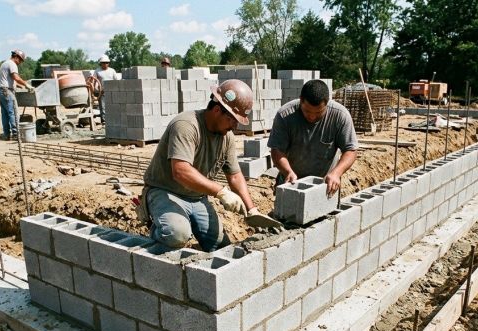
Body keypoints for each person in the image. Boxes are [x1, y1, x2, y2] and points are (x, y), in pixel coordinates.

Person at [141, 79, 263, 251]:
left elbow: (234, 175)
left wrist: (252, 209)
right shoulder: (186, 126)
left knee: (221, 247)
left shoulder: (226, 137)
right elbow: (181, 171)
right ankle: (155, 235)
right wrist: (220, 192)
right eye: (232, 120)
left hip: (197, 198)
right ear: (216, 110)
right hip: (165, 192)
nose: (235, 126)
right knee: (177, 234)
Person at [268, 79, 358, 197]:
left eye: (319, 112)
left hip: (325, 187)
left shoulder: (340, 116)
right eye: (307, 111)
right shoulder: (285, 115)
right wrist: (287, 172)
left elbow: (350, 150)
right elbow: (277, 150)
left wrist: (336, 173)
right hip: (290, 184)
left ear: (327, 103)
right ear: (301, 100)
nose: (312, 116)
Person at [0, 49, 31, 140]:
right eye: (21, 60)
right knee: (13, 112)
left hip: (0, 91)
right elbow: (15, 77)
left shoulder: (5, 63)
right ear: (16, 57)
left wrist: (20, 86)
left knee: (5, 113)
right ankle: (16, 134)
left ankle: (7, 134)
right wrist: (26, 84)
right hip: (6, 91)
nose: (20, 63)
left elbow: (9, 79)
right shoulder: (12, 64)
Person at [91, 55, 117, 124]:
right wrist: (95, 90)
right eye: (103, 62)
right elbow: (94, 81)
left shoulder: (112, 71)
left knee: (112, 106)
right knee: (103, 107)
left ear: (108, 63)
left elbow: (116, 80)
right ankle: (104, 121)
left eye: (106, 62)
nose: (105, 64)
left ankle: (112, 119)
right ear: (101, 63)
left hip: (112, 91)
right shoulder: (97, 71)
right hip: (102, 92)